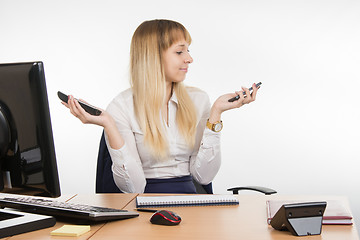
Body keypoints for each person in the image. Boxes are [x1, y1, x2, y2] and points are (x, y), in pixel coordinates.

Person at [62, 19, 259, 193]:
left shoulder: (198, 100)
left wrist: (216, 113)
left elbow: (203, 177)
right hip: (141, 207)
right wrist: (109, 125)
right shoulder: (121, 106)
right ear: (153, 56)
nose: (189, 58)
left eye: (188, 50)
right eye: (180, 51)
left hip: (193, 205)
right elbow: (134, 188)